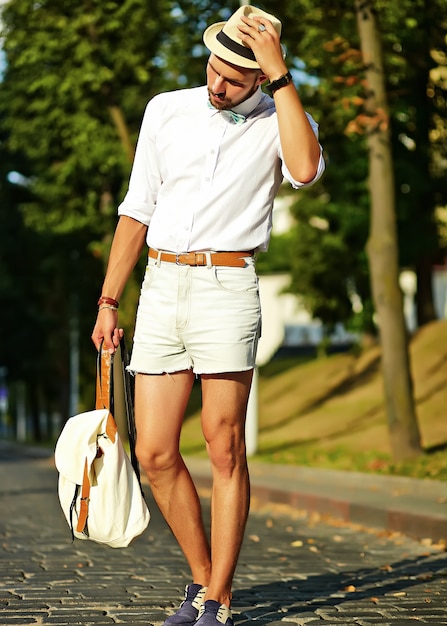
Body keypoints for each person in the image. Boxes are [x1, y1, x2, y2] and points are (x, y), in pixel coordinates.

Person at [91, 5, 324, 626]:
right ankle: (201, 580)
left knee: (224, 447)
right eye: (213, 70)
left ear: (261, 76)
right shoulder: (166, 109)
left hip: (228, 284)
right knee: (155, 454)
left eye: (233, 79)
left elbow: (304, 170)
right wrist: (109, 300)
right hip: (162, 284)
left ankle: (218, 597)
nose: (217, 86)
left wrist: (281, 79)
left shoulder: (283, 117)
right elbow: (136, 209)